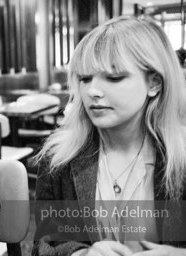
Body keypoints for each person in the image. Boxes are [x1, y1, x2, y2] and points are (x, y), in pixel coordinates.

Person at [33, 16, 186, 256]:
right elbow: (43, 244)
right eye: (85, 78)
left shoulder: (181, 158)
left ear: (154, 83)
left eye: (114, 78)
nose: (92, 91)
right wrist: (79, 254)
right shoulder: (59, 159)